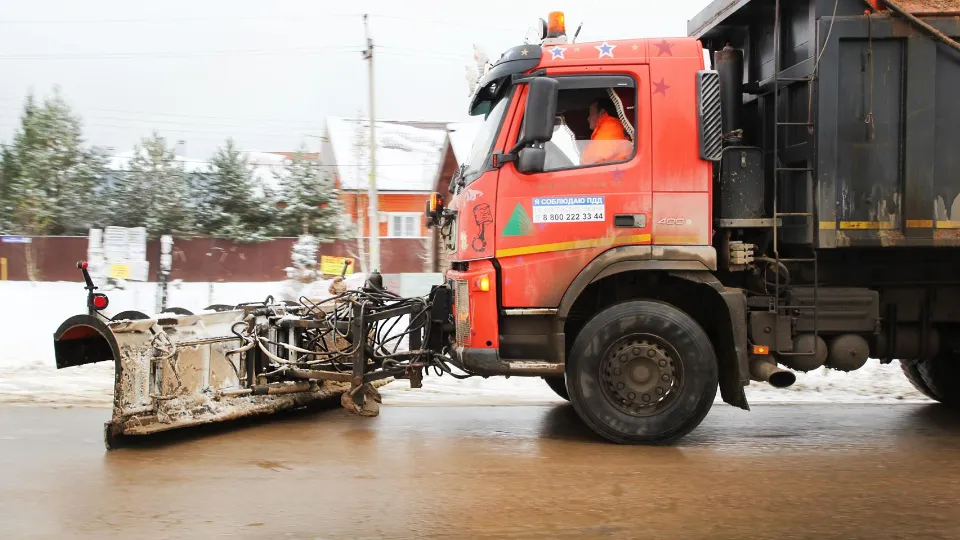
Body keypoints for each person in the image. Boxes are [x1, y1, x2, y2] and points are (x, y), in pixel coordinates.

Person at [581, 98, 632, 165]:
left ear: (602, 112)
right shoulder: (607, 127)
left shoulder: (611, 127)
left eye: (591, 113)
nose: (588, 118)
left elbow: (597, 160)